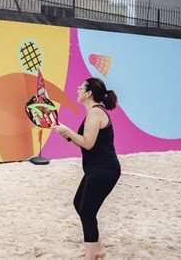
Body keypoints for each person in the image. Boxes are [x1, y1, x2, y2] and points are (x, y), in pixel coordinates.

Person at [53, 77, 121, 259]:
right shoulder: (94, 112)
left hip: (104, 169)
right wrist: (67, 136)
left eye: (81, 87)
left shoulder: (95, 113)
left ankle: (91, 255)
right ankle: (99, 250)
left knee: (87, 212)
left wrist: (68, 131)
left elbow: (88, 143)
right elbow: (85, 143)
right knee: (79, 204)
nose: (77, 89)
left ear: (89, 93)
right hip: (96, 169)